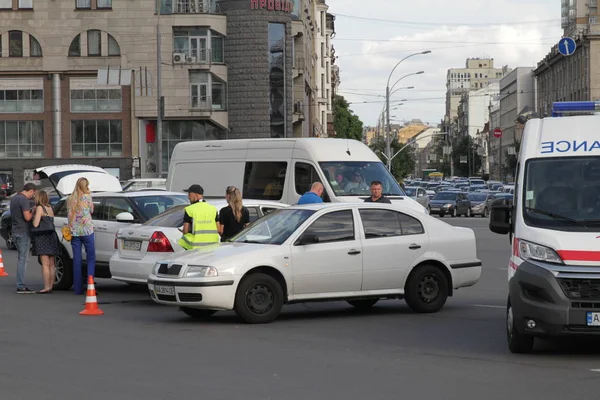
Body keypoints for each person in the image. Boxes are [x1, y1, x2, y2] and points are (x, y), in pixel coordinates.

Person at [67, 177, 95, 295]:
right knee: (91, 258)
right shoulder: (87, 197)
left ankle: (78, 289)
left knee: (77, 259)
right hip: (87, 230)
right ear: (85, 186)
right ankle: (90, 286)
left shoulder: (70, 198)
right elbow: (91, 210)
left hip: (74, 231)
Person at [10, 182, 37, 293]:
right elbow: (27, 217)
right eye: (33, 193)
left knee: (20, 258)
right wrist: (33, 210)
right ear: (30, 191)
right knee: (23, 260)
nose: (32, 196)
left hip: (15, 231)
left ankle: (20, 284)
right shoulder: (24, 200)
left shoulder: (14, 198)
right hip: (23, 232)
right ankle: (20, 285)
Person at [31, 190, 60, 294]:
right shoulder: (49, 208)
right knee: (52, 264)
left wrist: (33, 213)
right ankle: (51, 286)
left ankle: (46, 287)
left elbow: (35, 224)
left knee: (45, 264)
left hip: (42, 236)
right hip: (52, 235)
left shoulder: (39, 208)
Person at [178, 184, 220, 250]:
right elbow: (218, 229)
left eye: (189, 194)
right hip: (212, 246)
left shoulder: (189, 209)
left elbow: (185, 231)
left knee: (182, 240)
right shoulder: (213, 209)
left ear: (195, 194)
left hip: (195, 248)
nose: (188, 197)